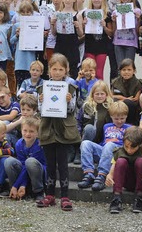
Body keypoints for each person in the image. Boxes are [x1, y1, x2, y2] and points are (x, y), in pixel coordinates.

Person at [36, 54, 80, 211]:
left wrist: (68, 101)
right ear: (49, 70)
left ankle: (65, 196)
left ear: (66, 70)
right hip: (48, 129)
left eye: (61, 69)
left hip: (63, 130)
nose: (57, 72)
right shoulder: (42, 87)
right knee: (49, 164)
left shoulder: (71, 88)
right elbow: (40, 111)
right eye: (54, 69)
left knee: (62, 164)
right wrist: (41, 101)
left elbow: (72, 110)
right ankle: (49, 195)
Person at [78, 101, 131, 191]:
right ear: (111, 117)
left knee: (109, 145)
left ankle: (102, 176)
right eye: (116, 119)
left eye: (122, 118)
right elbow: (103, 141)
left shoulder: (129, 128)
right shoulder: (106, 126)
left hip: (117, 155)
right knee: (85, 143)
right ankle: (89, 174)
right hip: (105, 152)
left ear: (126, 116)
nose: (119, 121)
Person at [106, 126, 142, 213]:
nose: (129, 150)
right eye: (126, 146)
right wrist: (110, 175)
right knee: (121, 161)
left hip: (140, 181)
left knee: (140, 161)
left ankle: (139, 198)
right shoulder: (120, 151)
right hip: (126, 180)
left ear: (139, 144)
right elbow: (114, 164)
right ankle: (116, 198)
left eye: (133, 147)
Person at [3, 117, 47, 201]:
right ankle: (14, 190)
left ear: (37, 133)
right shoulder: (19, 144)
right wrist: (18, 185)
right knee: (9, 161)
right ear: (21, 131)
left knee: (30, 162)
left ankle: (39, 191)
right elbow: (23, 166)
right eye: (25, 130)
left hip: (37, 172)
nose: (27, 134)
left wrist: (21, 184)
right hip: (24, 171)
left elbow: (28, 167)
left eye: (31, 131)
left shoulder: (39, 145)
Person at [75, 81, 112, 165]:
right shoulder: (86, 106)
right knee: (89, 128)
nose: (99, 96)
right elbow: (78, 122)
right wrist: (78, 135)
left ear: (106, 94)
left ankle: (94, 153)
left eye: (102, 94)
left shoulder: (109, 108)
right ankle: (81, 152)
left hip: (101, 139)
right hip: (86, 137)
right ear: (92, 94)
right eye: (97, 94)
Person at [51, 0, 84, 79]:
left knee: (72, 71)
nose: (67, 1)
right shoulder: (57, 13)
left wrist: (77, 26)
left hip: (72, 46)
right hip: (60, 45)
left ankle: (71, 91)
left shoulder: (78, 14)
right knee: (58, 66)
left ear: (74, 0)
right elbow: (54, 33)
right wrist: (53, 24)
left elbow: (81, 34)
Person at [83, 0, 114, 80]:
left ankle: (101, 92)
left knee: (99, 73)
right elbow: (81, 32)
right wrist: (84, 24)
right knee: (89, 72)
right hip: (89, 47)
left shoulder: (107, 14)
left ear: (103, 0)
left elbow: (111, 33)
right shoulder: (86, 13)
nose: (96, 0)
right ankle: (90, 92)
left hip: (102, 48)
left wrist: (104, 26)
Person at [11, 2, 38, 90]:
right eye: (23, 12)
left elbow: (38, 42)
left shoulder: (35, 25)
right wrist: (17, 35)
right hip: (19, 61)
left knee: (31, 84)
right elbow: (11, 41)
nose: (26, 14)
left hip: (30, 59)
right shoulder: (16, 26)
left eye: (28, 12)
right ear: (19, 14)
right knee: (21, 85)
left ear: (31, 13)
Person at [110, 59, 142, 125]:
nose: (126, 72)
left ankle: (130, 125)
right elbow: (110, 96)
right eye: (124, 70)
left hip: (132, 109)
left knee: (129, 103)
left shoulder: (138, 83)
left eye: (129, 70)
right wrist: (122, 98)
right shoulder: (115, 82)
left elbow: (135, 99)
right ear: (120, 71)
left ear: (134, 71)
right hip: (117, 106)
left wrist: (124, 100)